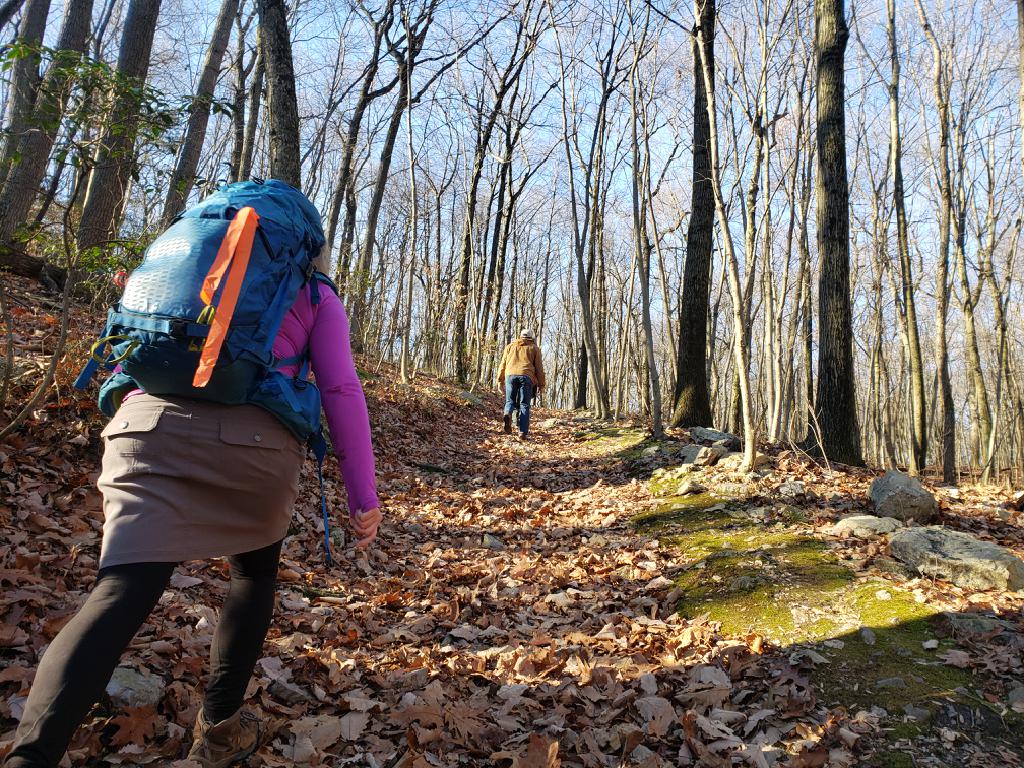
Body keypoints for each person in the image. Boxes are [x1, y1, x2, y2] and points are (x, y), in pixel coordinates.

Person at [4, 248, 382, 768]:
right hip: (256, 444)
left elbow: (126, 350)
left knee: (120, 589)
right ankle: (218, 732)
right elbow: (340, 387)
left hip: (145, 427)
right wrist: (364, 496)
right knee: (252, 576)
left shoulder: (181, 266)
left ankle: (30, 757)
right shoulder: (314, 293)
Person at [496, 329, 546, 440]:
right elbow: (539, 368)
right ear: (531, 337)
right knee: (524, 404)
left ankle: (507, 413)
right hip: (526, 376)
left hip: (510, 375)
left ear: (520, 336)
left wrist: (500, 380)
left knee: (510, 401)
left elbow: (503, 364)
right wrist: (541, 385)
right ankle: (522, 432)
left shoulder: (510, 346)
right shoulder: (534, 348)